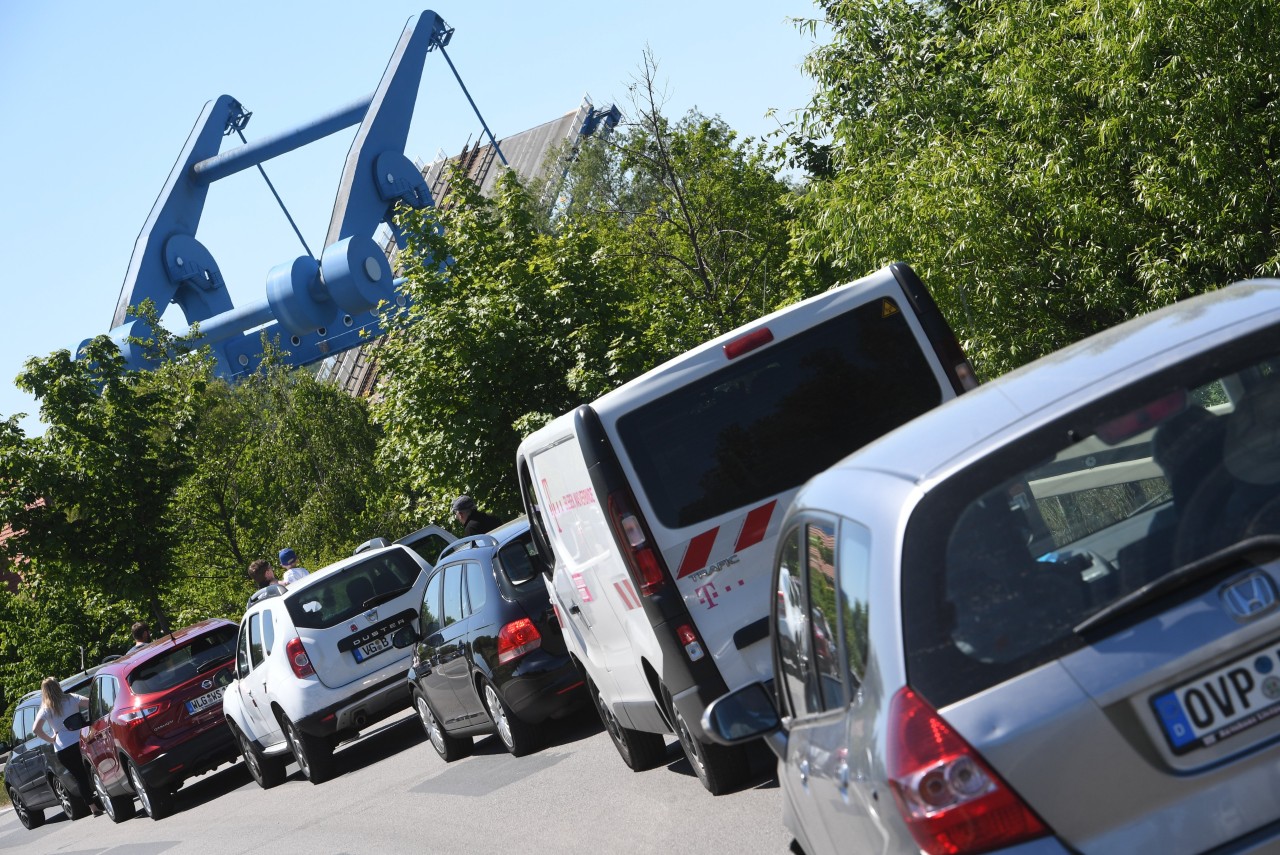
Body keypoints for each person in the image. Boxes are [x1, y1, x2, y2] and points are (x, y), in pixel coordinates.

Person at [32, 676, 99, 815]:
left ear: (44, 692)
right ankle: (105, 794)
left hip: (63, 749)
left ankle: (93, 808)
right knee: (94, 767)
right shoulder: (71, 698)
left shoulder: (46, 709)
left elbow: (35, 729)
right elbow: (92, 703)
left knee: (80, 776)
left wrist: (51, 739)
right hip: (81, 741)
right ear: (58, 686)